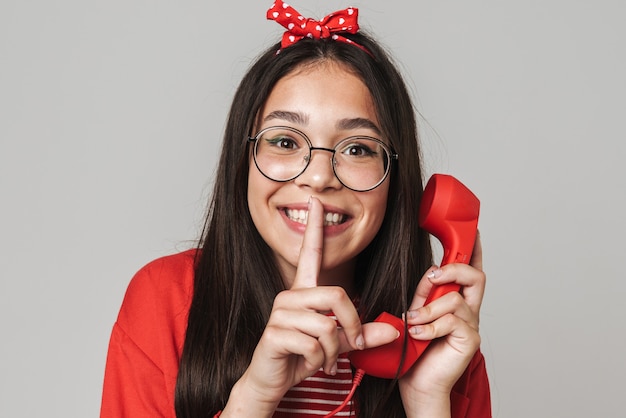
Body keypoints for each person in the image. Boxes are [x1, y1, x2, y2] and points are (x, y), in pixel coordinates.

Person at [100, 1, 491, 417]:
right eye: (285, 141)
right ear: (243, 159)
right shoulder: (166, 299)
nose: (320, 177)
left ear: (397, 178)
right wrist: (254, 395)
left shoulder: (441, 341)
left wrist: (429, 400)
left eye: (358, 148)